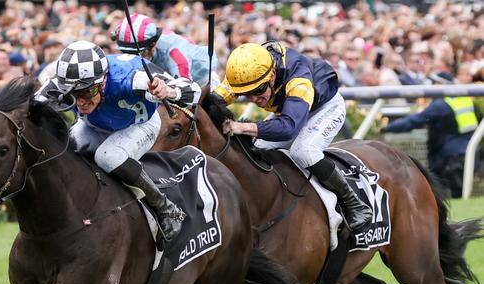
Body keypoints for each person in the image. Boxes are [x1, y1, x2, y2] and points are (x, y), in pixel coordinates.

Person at [35, 40, 202, 241]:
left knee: (108, 156)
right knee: (67, 153)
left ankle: (166, 209)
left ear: (103, 81)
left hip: (140, 125)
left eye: (87, 92)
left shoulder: (132, 79)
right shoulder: (63, 81)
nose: (80, 102)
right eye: (73, 94)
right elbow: (29, 106)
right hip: (94, 126)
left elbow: (195, 90)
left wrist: (168, 91)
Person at [212, 41, 372, 231]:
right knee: (258, 149)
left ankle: (354, 203)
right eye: (246, 95)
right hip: (290, 110)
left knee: (303, 151)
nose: (254, 99)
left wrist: (242, 127)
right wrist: (177, 93)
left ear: (271, 77)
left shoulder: (297, 77)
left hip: (324, 108)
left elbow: (289, 127)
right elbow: (214, 98)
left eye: (257, 91)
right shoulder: (246, 74)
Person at [382, 71, 479, 198]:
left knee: (448, 198)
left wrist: (386, 128)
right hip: (472, 154)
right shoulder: (465, 99)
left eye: (434, 83)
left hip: (450, 160)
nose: (431, 85)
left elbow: (414, 121)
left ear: (441, 84)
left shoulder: (440, 105)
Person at [113, 13, 218, 88]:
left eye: (138, 53)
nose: (132, 58)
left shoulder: (174, 52)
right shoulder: (148, 46)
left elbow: (186, 88)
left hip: (202, 79)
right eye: (126, 52)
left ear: (153, 45)